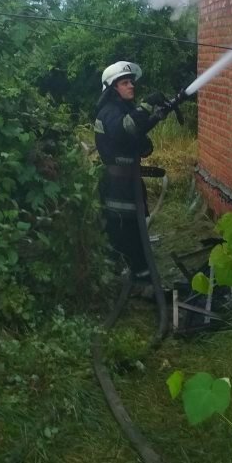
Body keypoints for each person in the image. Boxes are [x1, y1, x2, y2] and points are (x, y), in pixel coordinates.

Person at [94, 61, 175, 295]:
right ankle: (128, 280)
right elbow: (122, 130)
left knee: (136, 233)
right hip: (117, 188)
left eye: (132, 82)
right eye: (125, 82)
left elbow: (138, 142)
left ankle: (141, 278)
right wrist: (147, 105)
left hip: (129, 184)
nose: (131, 86)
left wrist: (154, 118)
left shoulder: (124, 111)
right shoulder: (109, 112)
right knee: (124, 233)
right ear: (112, 88)